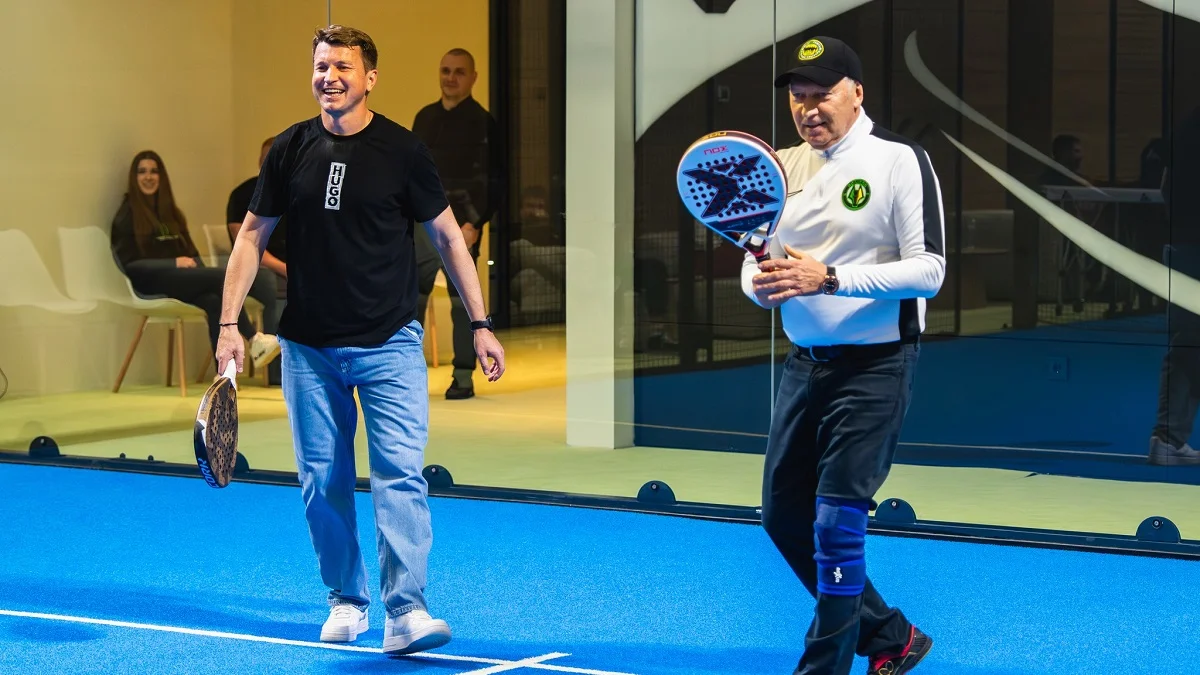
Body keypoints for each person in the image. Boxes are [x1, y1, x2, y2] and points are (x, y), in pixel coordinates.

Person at [213, 25, 505, 656]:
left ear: (370, 77)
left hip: (389, 343)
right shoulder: (289, 149)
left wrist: (480, 323)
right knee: (323, 482)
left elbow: (448, 238)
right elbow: (251, 237)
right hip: (308, 348)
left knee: (400, 474)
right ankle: (346, 598)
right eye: (322, 66)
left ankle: (407, 612)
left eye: (343, 66)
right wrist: (229, 324)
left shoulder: (404, 150)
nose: (330, 77)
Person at [744, 37, 943, 675]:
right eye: (798, 97)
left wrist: (829, 278)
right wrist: (760, 286)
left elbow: (930, 271)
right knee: (783, 516)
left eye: (822, 94)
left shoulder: (899, 160)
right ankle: (890, 636)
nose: (808, 109)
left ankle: (823, 667)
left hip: (877, 366)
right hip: (803, 366)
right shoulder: (779, 168)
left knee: (835, 521)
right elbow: (756, 266)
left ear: (856, 93)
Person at [110, 149, 280, 369]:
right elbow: (130, 266)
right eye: (142, 172)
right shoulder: (126, 215)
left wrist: (200, 271)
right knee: (224, 279)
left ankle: (223, 373)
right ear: (134, 178)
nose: (148, 177)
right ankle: (255, 339)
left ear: (161, 177)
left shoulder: (171, 213)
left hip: (180, 279)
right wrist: (174, 263)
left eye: (154, 171)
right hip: (149, 282)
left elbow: (191, 254)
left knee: (214, 300)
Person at [411, 47, 501, 399]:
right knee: (411, 299)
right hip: (420, 223)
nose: (451, 78)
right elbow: (411, 173)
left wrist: (476, 222)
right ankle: (407, 373)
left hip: (462, 226)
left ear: (473, 77)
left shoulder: (483, 123)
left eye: (459, 72)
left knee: (463, 301)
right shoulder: (424, 118)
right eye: (446, 70)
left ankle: (463, 375)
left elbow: (495, 180)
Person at [1149, 106, 1200, 466]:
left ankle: (1168, 438)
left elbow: (1165, 187)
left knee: (1187, 343)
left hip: (1182, 246)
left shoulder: (1187, 127)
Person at [227, 137, 290, 384]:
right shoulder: (243, 194)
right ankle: (277, 371)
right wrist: (286, 269)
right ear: (259, 162)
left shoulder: (300, 192)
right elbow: (245, 245)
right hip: (261, 268)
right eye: (267, 159)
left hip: (295, 267)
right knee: (274, 285)